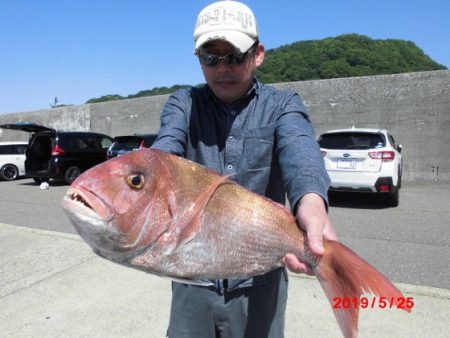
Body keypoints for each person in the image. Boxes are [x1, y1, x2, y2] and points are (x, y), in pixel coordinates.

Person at [151, 1, 338, 337]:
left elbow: (301, 152)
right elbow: (163, 153)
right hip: (193, 281)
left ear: (258, 54)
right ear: (198, 59)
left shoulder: (283, 105)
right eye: (211, 57)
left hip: (260, 284)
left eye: (235, 55)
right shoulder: (183, 104)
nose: (223, 67)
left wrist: (311, 201)